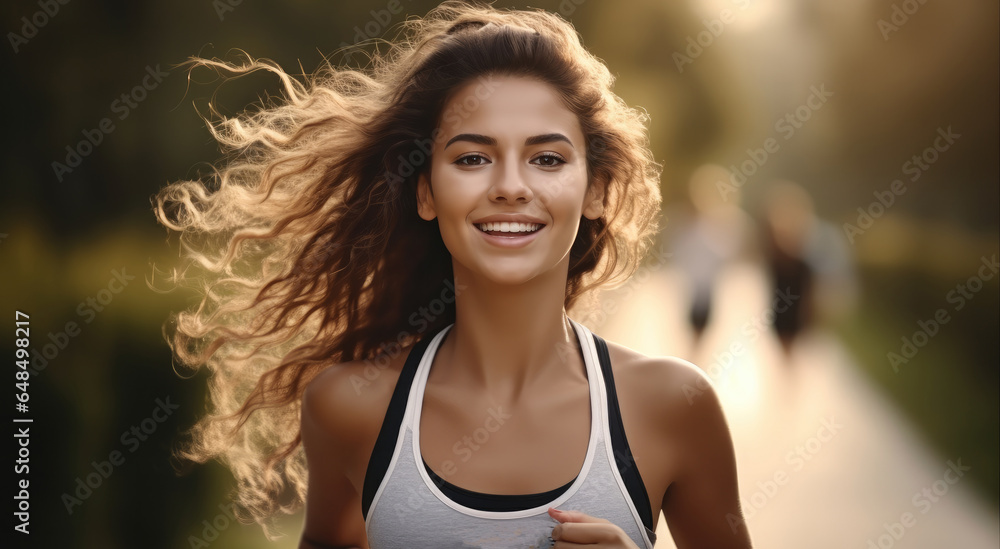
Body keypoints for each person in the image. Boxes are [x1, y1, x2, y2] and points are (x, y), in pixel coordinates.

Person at [152, 2, 754, 548]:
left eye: (547, 158)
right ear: (427, 192)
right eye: (472, 158)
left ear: (595, 189)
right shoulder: (349, 408)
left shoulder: (674, 405)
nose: (511, 186)